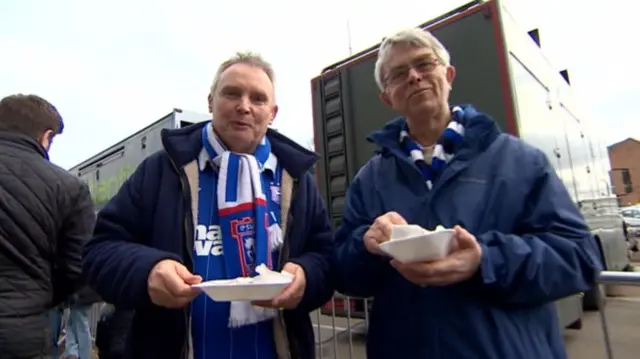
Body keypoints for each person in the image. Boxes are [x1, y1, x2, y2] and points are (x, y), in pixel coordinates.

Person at [332, 28, 603, 359]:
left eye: (424, 64)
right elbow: (345, 274)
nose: (414, 77)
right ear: (388, 97)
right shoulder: (369, 180)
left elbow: (579, 257)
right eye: (399, 74)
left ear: (448, 75)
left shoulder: (520, 161)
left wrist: (485, 261)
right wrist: (365, 245)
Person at [83, 52, 334, 359]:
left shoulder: (297, 180)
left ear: (273, 113)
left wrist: (306, 275)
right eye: (232, 93)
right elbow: (100, 251)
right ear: (211, 101)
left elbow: (325, 257)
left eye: (258, 98)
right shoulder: (161, 171)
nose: (244, 106)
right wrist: (148, 271)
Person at [0, 94, 95, 359]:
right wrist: (46, 298)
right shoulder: (68, 187)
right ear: (46, 136)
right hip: (22, 333)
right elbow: (78, 269)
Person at [63, 286, 102, 359]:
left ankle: (81, 354)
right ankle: (73, 352)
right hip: (83, 291)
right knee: (73, 321)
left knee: (80, 322)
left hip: (82, 291)